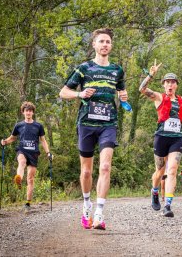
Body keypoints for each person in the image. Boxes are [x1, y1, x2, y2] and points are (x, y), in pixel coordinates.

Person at [59, 28, 128, 230]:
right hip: (87, 123)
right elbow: (63, 92)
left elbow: (122, 93)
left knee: (105, 167)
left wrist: (124, 100)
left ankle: (99, 214)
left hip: (108, 123)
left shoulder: (117, 70)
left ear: (111, 45)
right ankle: (87, 204)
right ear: (94, 45)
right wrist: (80, 95)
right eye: (101, 41)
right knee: (87, 171)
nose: (105, 44)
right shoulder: (84, 68)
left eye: (108, 41)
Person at [139, 60, 182, 217]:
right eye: (167, 82)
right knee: (159, 171)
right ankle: (154, 191)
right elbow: (142, 89)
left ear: (176, 85)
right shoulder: (159, 97)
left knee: (172, 170)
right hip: (161, 137)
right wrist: (151, 74)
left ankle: (168, 205)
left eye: (173, 82)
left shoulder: (181, 100)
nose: (170, 85)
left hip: (176, 138)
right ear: (164, 85)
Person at [1, 101, 52, 210]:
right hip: (22, 150)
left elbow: (43, 140)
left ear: (32, 112)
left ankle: (28, 203)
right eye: (26, 111)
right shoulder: (19, 125)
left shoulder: (38, 126)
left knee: (30, 178)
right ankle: (18, 178)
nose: (28, 113)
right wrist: (5, 142)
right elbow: (12, 138)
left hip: (34, 153)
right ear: (23, 112)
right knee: (22, 162)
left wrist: (48, 153)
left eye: (30, 111)